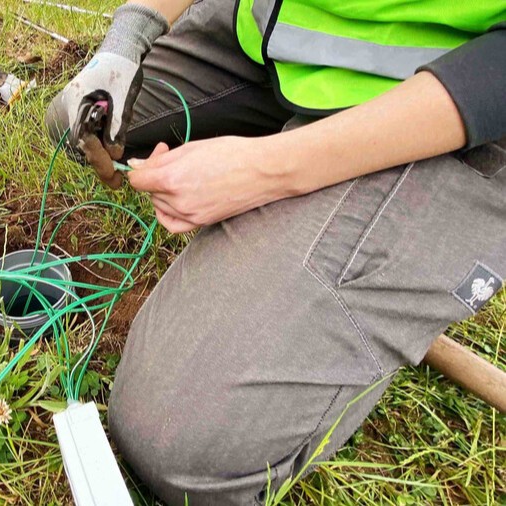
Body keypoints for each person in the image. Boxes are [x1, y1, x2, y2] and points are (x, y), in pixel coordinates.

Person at [45, 0, 506, 504]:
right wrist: (127, 40)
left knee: (176, 439)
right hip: (271, 39)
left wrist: (262, 171)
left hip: (451, 103)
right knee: (78, 123)